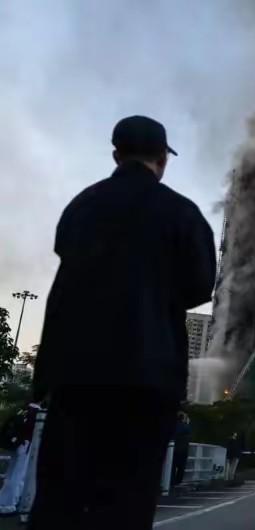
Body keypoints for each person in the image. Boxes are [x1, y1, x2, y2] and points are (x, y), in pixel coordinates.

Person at [30, 116, 216, 530]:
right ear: (162, 159)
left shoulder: (82, 206)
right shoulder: (181, 213)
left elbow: (69, 267)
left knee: (60, 496)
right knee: (127, 501)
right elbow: (201, 286)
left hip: (74, 377)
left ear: (116, 154)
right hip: (147, 380)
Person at [0, 403, 40, 514]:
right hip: (25, 445)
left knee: (11, 473)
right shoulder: (36, 413)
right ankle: (9, 504)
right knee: (18, 475)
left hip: (16, 445)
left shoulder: (22, 410)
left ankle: (3, 500)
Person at [172, 413, 192, 486]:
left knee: (172, 466)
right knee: (181, 467)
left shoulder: (175, 426)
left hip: (173, 449)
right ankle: (178, 481)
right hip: (183, 449)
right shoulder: (186, 427)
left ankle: (171, 481)